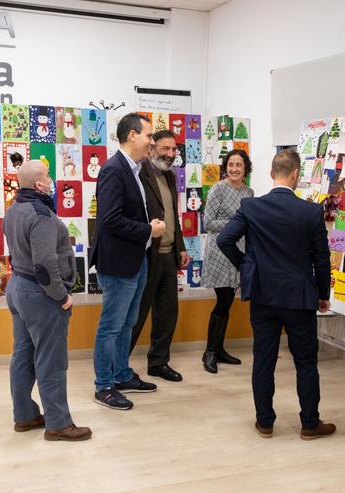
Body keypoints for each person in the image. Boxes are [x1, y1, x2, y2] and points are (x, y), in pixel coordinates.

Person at [217, 149, 336, 440]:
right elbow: (321, 258)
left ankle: (265, 422)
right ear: (296, 174)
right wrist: (323, 294)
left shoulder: (251, 206)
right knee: (306, 363)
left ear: (272, 174)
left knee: (264, 360)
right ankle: (310, 424)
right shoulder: (310, 211)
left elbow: (224, 239)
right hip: (300, 297)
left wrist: (247, 265)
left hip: (263, 296)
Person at [3, 160, 92, 442]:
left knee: (23, 354)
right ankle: (58, 423)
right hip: (40, 295)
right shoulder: (40, 215)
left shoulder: (14, 210)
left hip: (18, 288)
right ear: (38, 184)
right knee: (51, 361)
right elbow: (44, 265)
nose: (51, 179)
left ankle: (25, 415)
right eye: (47, 176)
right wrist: (62, 296)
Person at [90, 113, 166, 411]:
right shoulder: (113, 170)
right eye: (149, 136)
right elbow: (109, 221)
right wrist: (149, 229)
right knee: (111, 326)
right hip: (119, 263)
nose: (152, 142)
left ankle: (121, 374)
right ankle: (103, 385)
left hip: (137, 259)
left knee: (128, 323)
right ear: (132, 135)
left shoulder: (135, 168)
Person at [129, 130, 191, 382]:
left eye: (174, 149)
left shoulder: (170, 176)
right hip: (146, 255)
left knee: (167, 314)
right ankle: (118, 368)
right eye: (166, 148)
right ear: (152, 149)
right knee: (136, 315)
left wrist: (181, 246)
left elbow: (172, 215)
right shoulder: (138, 174)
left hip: (168, 255)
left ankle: (158, 363)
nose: (171, 154)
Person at [201, 149, 254, 373]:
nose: (233, 169)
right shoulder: (218, 189)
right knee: (223, 299)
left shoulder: (250, 193)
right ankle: (210, 352)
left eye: (238, 165)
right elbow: (208, 222)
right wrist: (236, 223)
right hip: (219, 250)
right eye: (230, 164)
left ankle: (218, 349)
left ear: (245, 169)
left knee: (228, 299)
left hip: (238, 251)